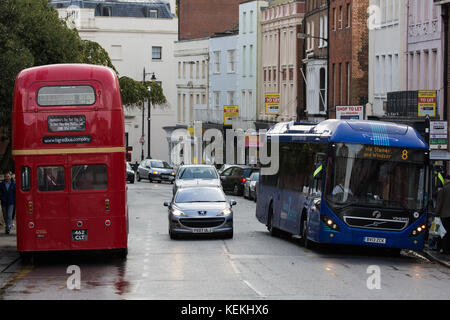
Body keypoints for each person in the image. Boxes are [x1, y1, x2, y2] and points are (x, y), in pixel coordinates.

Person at [435, 175, 450, 254]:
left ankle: (445, 249)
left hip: (445, 215)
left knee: (443, 232)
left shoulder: (444, 189)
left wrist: (436, 214)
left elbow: (440, 203)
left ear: (446, 180)